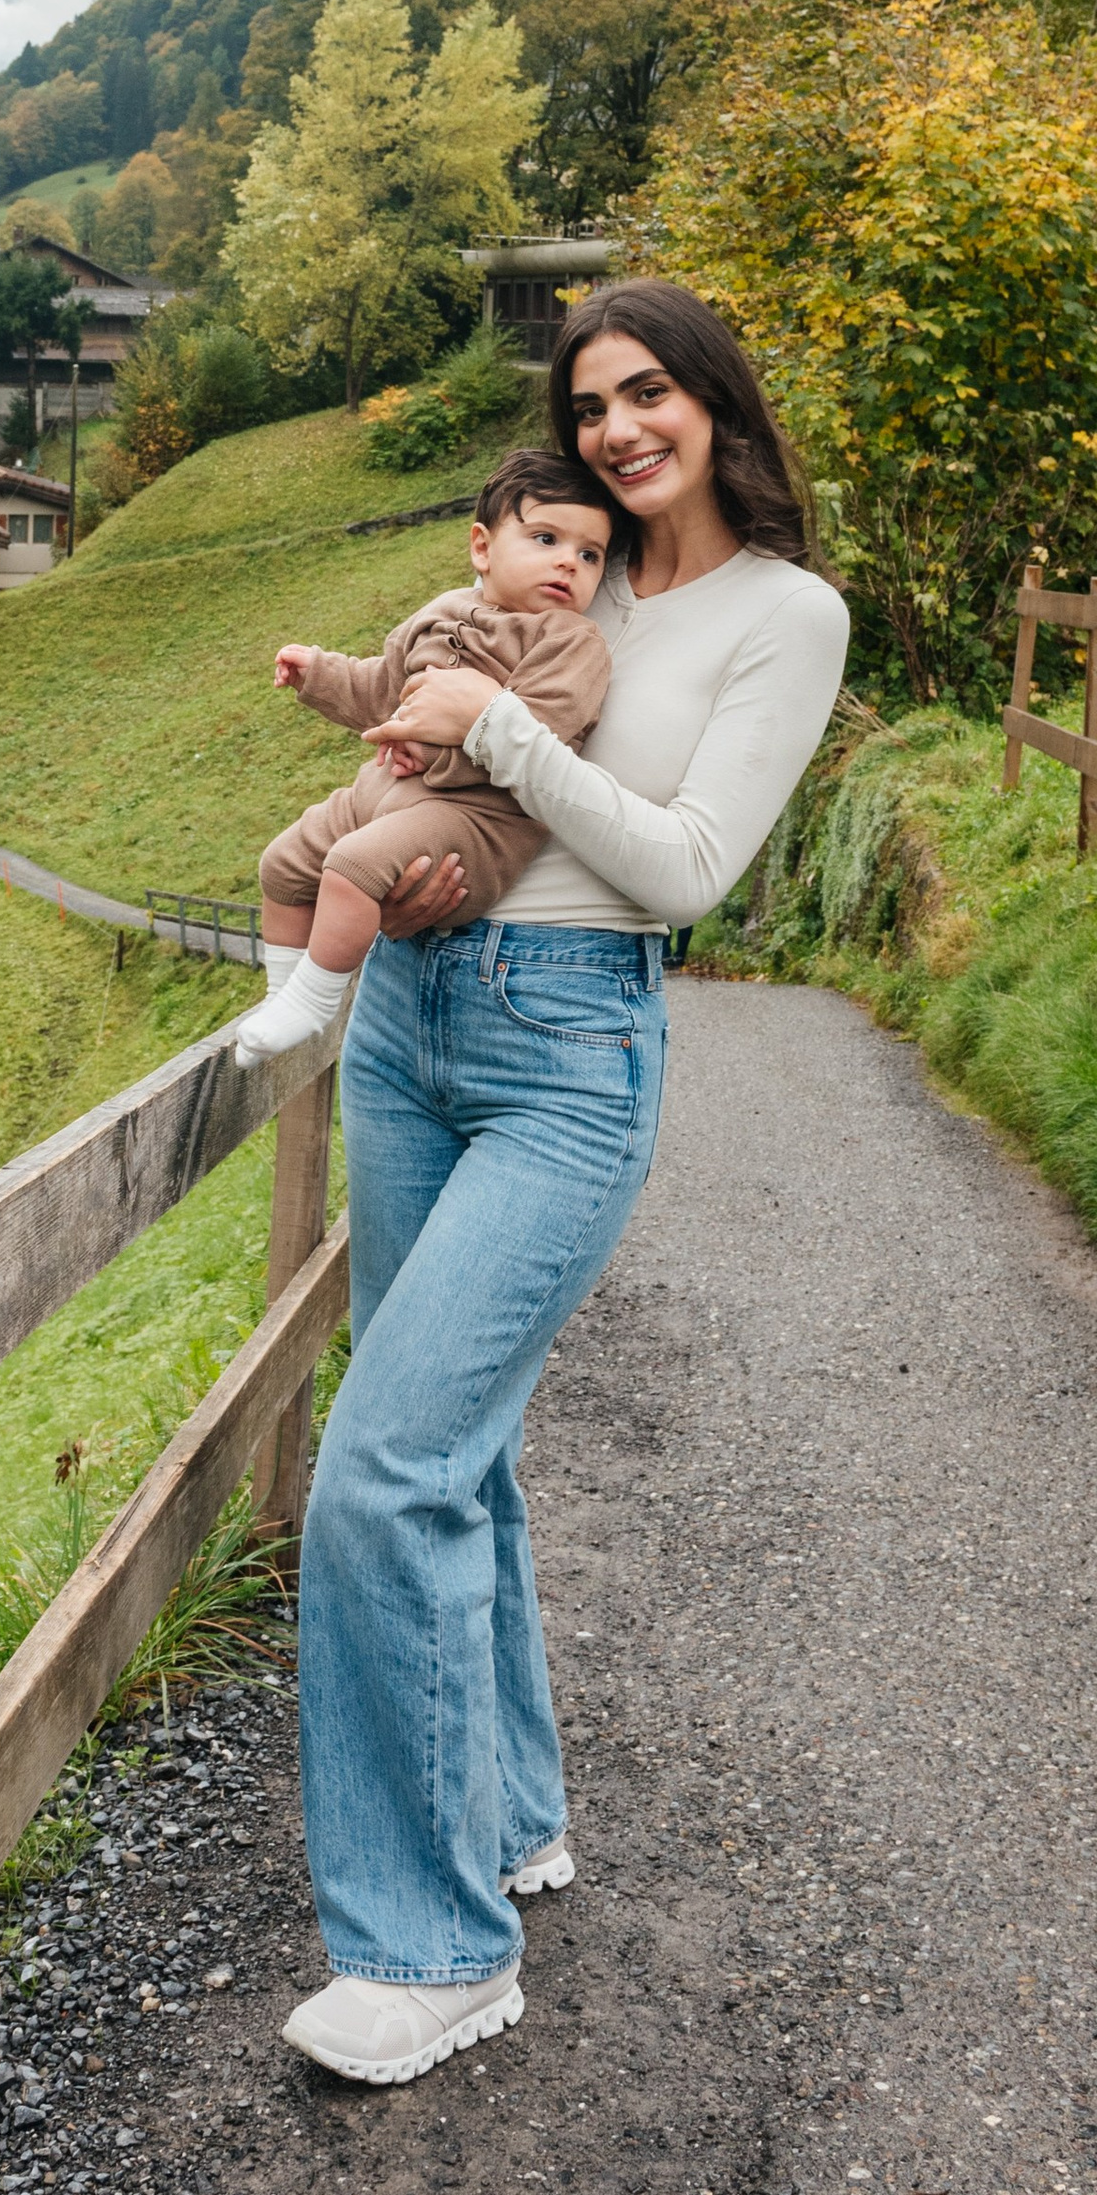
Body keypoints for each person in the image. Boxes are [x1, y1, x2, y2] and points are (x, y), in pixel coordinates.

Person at [282, 279, 850, 2086]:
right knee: (465, 1451)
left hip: (566, 1050)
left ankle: (439, 1951)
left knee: (382, 1472)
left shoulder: (787, 614)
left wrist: (501, 736)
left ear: (718, 406)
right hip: (413, 1024)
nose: (618, 426)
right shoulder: (571, 573)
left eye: (651, 393)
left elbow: (684, 869)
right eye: (594, 402)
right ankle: (513, 1814)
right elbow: (423, 731)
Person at [232, 449, 616, 1069]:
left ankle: (315, 999)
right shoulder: (440, 613)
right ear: (483, 548)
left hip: (478, 817)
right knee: (282, 864)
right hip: (381, 791)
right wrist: (317, 673)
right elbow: (380, 688)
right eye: (546, 538)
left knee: (352, 865)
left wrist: (434, 751)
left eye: (590, 554)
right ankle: (280, 997)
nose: (569, 561)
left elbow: (541, 735)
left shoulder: (569, 641)